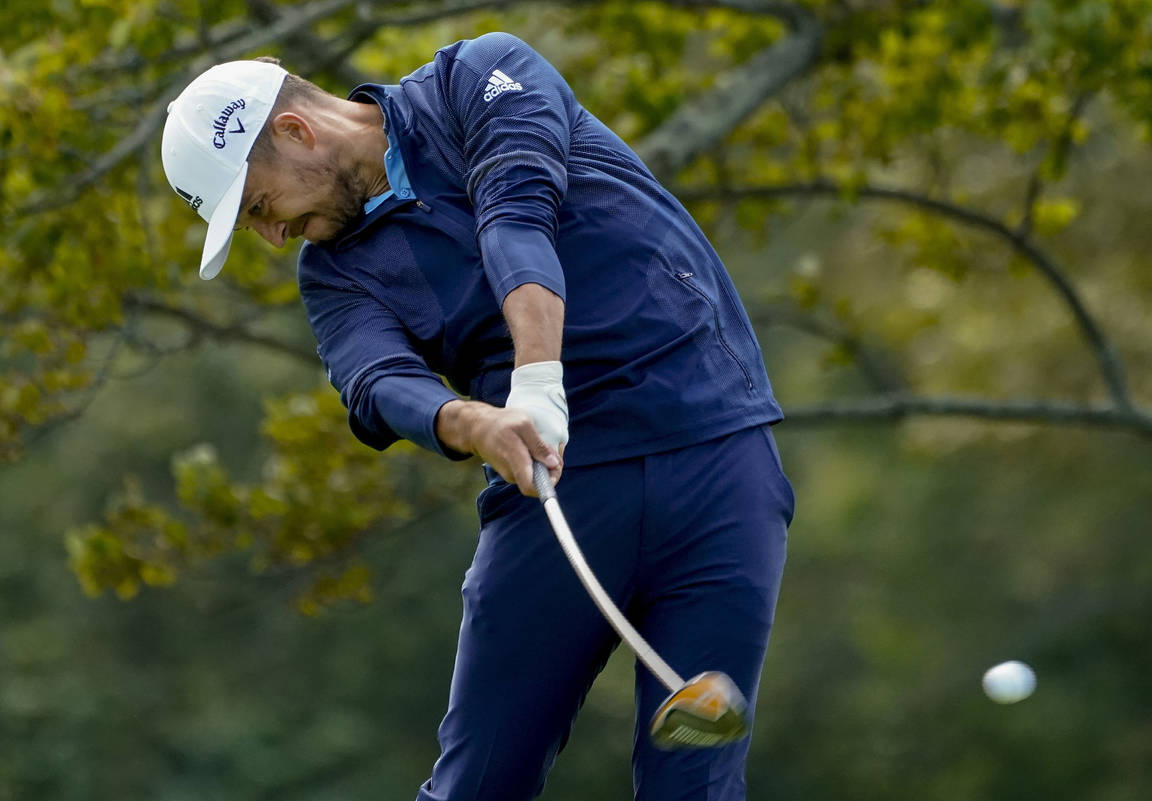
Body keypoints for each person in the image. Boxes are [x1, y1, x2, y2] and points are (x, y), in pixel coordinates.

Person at [161, 31, 794, 801]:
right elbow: (376, 382)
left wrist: (536, 377)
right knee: (478, 785)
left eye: (260, 205)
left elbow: (516, 211)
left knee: (695, 784)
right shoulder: (334, 274)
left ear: (296, 132)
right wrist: (475, 423)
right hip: (554, 487)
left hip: (715, 448)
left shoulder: (478, 76)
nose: (269, 233)